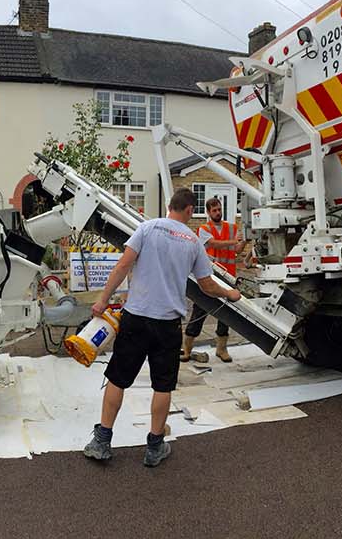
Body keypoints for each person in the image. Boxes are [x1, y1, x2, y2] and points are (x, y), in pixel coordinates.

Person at [82, 188, 242, 467]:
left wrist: (102, 300)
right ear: (190, 210)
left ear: (170, 206)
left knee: (118, 378)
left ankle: (102, 441)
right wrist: (229, 294)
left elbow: (122, 266)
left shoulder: (147, 228)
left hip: (135, 318)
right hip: (167, 324)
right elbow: (206, 285)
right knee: (162, 386)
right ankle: (154, 447)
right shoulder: (193, 241)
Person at [183, 196, 245, 363]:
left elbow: (238, 249)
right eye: (214, 210)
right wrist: (234, 241)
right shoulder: (204, 228)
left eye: (219, 209)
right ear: (208, 212)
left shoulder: (232, 228)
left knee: (226, 315)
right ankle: (187, 349)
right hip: (209, 276)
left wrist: (246, 239)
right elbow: (213, 244)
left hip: (228, 276)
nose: (218, 212)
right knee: (200, 311)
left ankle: (221, 349)